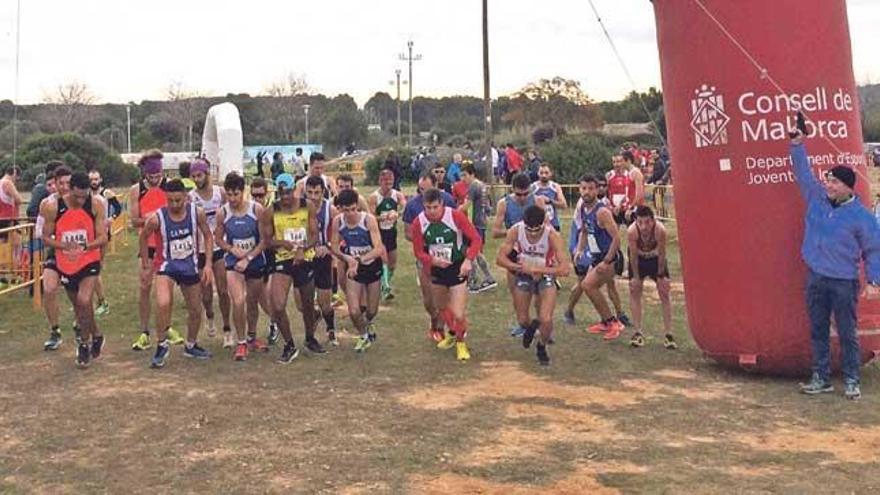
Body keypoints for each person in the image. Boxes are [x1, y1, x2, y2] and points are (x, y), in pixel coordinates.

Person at [790, 120, 880, 400]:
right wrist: (797, 146)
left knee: (846, 331)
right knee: (817, 329)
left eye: (835, 182)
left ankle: (852, 380)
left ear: (848, 187)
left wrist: (874, 280)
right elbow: (804, 175)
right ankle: (821, 377)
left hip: (844, 281)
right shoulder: (816, 198)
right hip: (816, 276)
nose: (829, 185)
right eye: (828, 180)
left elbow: (874, 250)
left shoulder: (862, 217)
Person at [139, 178, 214, 368]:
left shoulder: (197, 213)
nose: (174, 205)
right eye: (170, 200)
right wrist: (147, 265)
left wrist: (208, 265)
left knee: (196, 309)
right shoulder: (157, 218)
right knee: (163, 302)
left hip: (189, 265)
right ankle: (162, 344)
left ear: (185, 198)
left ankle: (191, 344)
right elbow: (143, 236)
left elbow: (207, 235)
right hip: (167, 266)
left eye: (178, 201)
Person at [41, 172, 108, 368]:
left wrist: (87, 246)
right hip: (66, 262)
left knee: (84, 300)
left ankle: (83, 345)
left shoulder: (95, 204)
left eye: (84, 195)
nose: (81, 200)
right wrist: (63, 246)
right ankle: (97, 335)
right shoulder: (53, 207)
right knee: (81, 308)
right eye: (77, 196)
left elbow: (103, 237)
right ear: (69, 190)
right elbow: (45, 237)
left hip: (89, 259)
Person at [411, 188, 483, 361]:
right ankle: (452, 333)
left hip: (457, 267)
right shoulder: (418, 223)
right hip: (436, 269)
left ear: (442, 204)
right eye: (428, 208)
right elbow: (418, 251)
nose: (432, 212)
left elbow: (476, 239)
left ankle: (460, 343)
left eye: (435, 207)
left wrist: (468, 260)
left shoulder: (455, 216)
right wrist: (432, 261)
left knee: (458, 312)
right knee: (441, 307)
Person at [496, 205, 570, 365]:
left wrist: (539, 269)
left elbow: (565, 269)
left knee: (546, 318)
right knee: (522, 319)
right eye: (530, 230)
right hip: (524, 275)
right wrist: (519, 268)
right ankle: (532, 327)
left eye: (537, 230)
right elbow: (500, 259)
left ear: (543, 224)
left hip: (545, 276)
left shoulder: (552, 235)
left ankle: (542, 346)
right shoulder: (516, 230)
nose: (533, 233)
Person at [263, 173, 325, 363]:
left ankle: (309, 337)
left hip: (304, 258)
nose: (286, 197)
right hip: (283, 259)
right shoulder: (271, 211)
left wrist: (302, 249)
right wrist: (284, 243)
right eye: (282, 193)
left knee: (307, 303)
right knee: (278, 304)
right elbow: (267, 240)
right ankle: (289, 345)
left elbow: (315, 235)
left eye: (289, 192)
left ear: (294, 190)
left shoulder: (308, 207)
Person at [130, 150, 186, 350]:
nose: (155, 179)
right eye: (151, 176)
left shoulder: (169, 187)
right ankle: (144, 331)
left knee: (166, 291)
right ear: (145, 174)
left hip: (167, 246)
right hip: (147, 245)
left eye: (158, 175)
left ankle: (167, 328)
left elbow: (179, 210)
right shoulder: (137, 191)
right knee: (144, 287)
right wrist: (152, 219)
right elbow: (133, 220)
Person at [214, 173, 270, 361]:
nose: (232, 199)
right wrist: (230, 248)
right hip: (233, 263)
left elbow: (264, 240)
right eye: (229, 194)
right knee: (238, 301)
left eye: (236, 194)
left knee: (252, 302)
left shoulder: (257, 210)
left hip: (254, 261)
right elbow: (218, 238)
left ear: (243, 192)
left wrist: (250, 256)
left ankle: (252, 336)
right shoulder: (223, 212)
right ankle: (240, 342)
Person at [403, 173, 459, 342]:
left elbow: (457, 226)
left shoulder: (448, 200)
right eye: (421, 190)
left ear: (437, 185)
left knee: (445, 295)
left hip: (448, 256)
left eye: (427, 189)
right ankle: (435, 320)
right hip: (425, 257)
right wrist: (426, 238)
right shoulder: (412, 205)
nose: (424, 193)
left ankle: (445, 328)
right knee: (429, 299)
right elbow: (407, 233)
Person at [493, 173, 548, 336]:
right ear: (512, 190)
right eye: (519, 194)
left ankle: (541, 324)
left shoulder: (537, 200)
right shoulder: (504, 204)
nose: (523, 198)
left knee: (539, 292)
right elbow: (495, 232)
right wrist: (515, 232)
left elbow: (546, 226)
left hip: (536, 251)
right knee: (516, 292)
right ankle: (522, 324)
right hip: (515, 251)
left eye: (526, 194)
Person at [331, 189, 385, 352]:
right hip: (353, 268)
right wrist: (347, 258)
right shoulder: (338, 221)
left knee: (371, 310)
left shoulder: (368, 220)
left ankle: (368, 324)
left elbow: (378, 248)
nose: (350, 214)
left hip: (371, 266)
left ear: (358, 207)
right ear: (340, 208)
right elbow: (334, 246)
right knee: (354, 310)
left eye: (353, 209)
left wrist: (359, 260)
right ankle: (363, 336)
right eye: (346, 210)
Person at [573, 174, 626, 341]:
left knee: (588, 285)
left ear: (597, 190)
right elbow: (584, 230)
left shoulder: (602, 211)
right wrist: (579, 250)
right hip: (597, 256)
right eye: (583, 188)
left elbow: (617, 238)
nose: (586, 192)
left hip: (611, 257)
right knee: (591, 286)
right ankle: (606, 321)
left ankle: (613, 322)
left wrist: (607, 261)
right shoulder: (583, 208)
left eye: (590, 188)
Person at [189, 158, 232, 342]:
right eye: (193, 176)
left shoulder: (219, 193)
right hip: (200, 249)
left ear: (207, 174)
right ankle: (210, 315)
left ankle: (227, 327)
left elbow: (228, 215)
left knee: (223, 290)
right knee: (205, 294)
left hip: (218, 247)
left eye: (199, 175)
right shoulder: (191, 197)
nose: (197, 179)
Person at [626, 206, 675, 350]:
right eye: (640, 222)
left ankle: (668, 334)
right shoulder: (632, 231)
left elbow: (662, 254)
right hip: (639, 260)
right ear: (636, 221)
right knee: (635, 290)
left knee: (664, 291)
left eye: (647, 222)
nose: (644, 227)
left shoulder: (660, 230)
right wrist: (635, 277)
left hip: (655, 259)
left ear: (653, 221)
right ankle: (637, 332)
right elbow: (633, 256)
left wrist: (660, 274)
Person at [303, 174, 339, 345]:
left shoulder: (330, 209)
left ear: (323, 192)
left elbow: (340, 233)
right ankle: (314, 316)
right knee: (302, 303)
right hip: (305, 257)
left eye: (317, 192)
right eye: (309, 192)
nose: (313, 197)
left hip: (323, 258)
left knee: (325, 302)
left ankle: (330, 328)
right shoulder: (299, 208)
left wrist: (329, 246)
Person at [40, 165, 72, 351]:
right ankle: (55, 331)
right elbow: (41, 233)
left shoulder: (82, 201)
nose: (65, 187)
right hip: (55, 252)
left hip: (77, 255)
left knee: (77, 296)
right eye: (61, 183)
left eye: (69, 183)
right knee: (49, 289)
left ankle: (81, 326)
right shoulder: (48, 204)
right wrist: (57, 241)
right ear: (56, 184)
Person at [250, 178, 281, 346]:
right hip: (257, 256)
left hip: (272, 256)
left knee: (271, 294)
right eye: (254, 195)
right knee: (260, 297)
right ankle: (275, 322)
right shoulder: (250, 209)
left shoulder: (274, 209)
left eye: (260, 195)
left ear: (267, 193)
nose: (257, 198)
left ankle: (275, 323)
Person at [368, 166, 407, 301]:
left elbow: (404, 206)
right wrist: (383, 217)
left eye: (390, 183)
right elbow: (371, 217)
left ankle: (384, 283)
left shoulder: (397, 195)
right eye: (386, 183)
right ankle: (385, 288)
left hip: (391, 232)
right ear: (380, 181)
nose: (388, 186)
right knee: (383, 260)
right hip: (378, 234)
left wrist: (397, 213)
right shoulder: (374, 197)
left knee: (392, 263)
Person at [88, 169, 122, 317]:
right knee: (91, 269)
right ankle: (97, 301)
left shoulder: (107, 193)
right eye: (92, 179)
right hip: (89, 235)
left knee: (96, 268)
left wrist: (111, 218)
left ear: (100, 179)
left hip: (102, 235)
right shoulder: (86, 195)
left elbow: (119, 208)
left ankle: (101, 302)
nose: (94, 182)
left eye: (96, 179)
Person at [458, 164, 497, 293]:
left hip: (474, 223)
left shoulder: (474, 186)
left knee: (471, 252)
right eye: (461, 176)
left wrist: (453, 212)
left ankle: (474, 281)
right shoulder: (482, 185)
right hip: (482, 222)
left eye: (465, 175)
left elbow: (466, 206)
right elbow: (487, 207)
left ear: (472, 174)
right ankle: (489, 278)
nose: (463, 178)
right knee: (477, 252)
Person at [531, 163, 568, 232]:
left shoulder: (555, 187)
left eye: (546, 173)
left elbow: (564, 205)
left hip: (553, 223)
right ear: (537, 173)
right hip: (537, 224)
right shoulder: (533, 187)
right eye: (541, 173)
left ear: (551, 173)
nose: (544, 175)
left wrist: (550, 201)